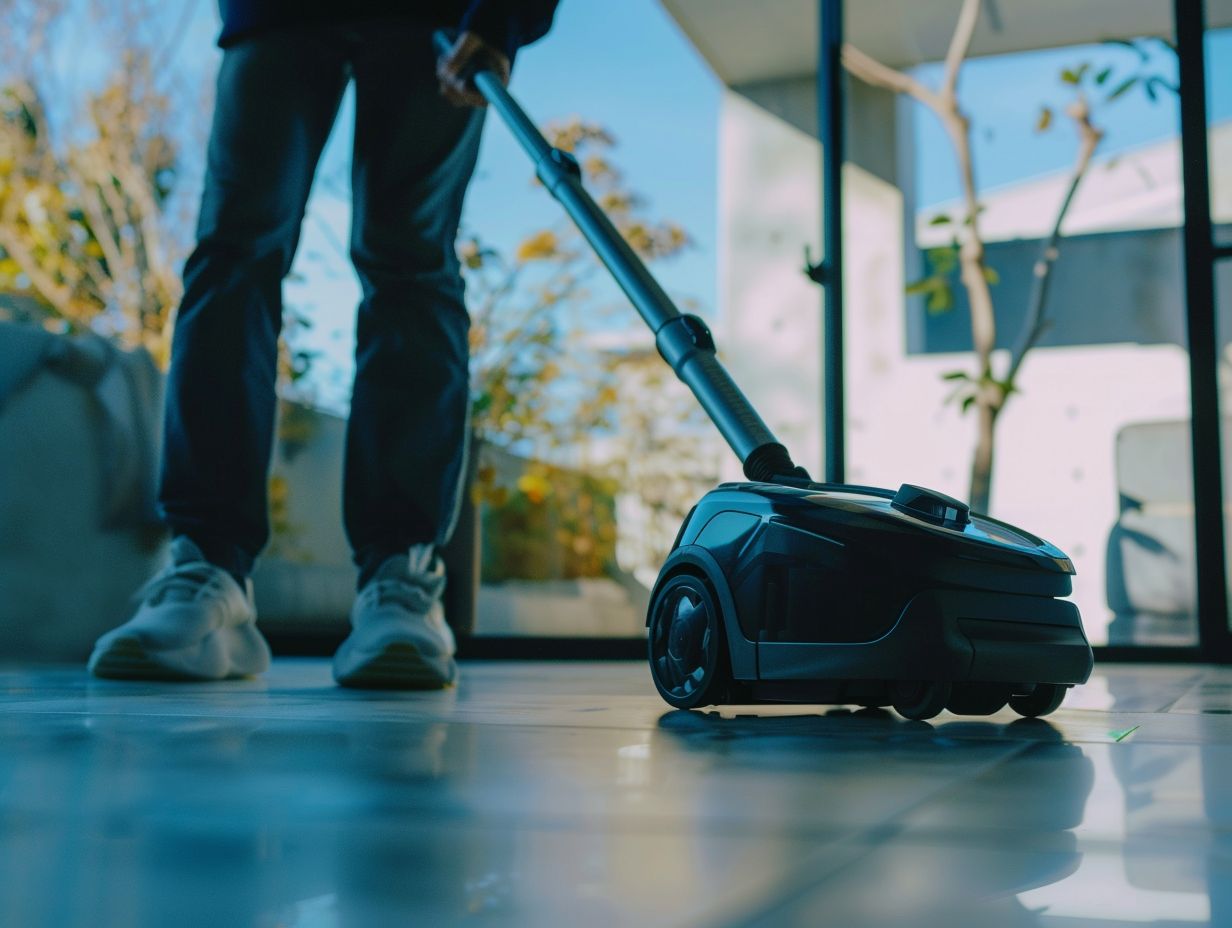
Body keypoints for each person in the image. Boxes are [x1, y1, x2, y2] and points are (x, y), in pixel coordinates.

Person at [88, 1, 559, 688]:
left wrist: (502, 14)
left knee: (412, 264)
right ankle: (207, 571)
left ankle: (400, 580)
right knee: (232, 255)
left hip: (439, 12)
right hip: (277, 12)